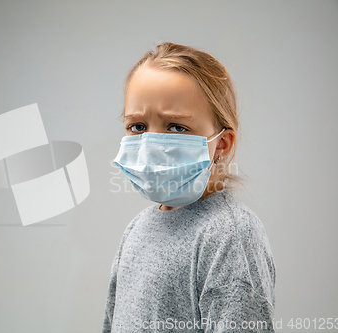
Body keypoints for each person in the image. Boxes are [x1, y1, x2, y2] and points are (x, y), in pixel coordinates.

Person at [102, 42, 276, 332]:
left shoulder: (229, 234)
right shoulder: (137, 229)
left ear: (221, 144)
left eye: (176, 127)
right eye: (138, 126)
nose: (150, 144)